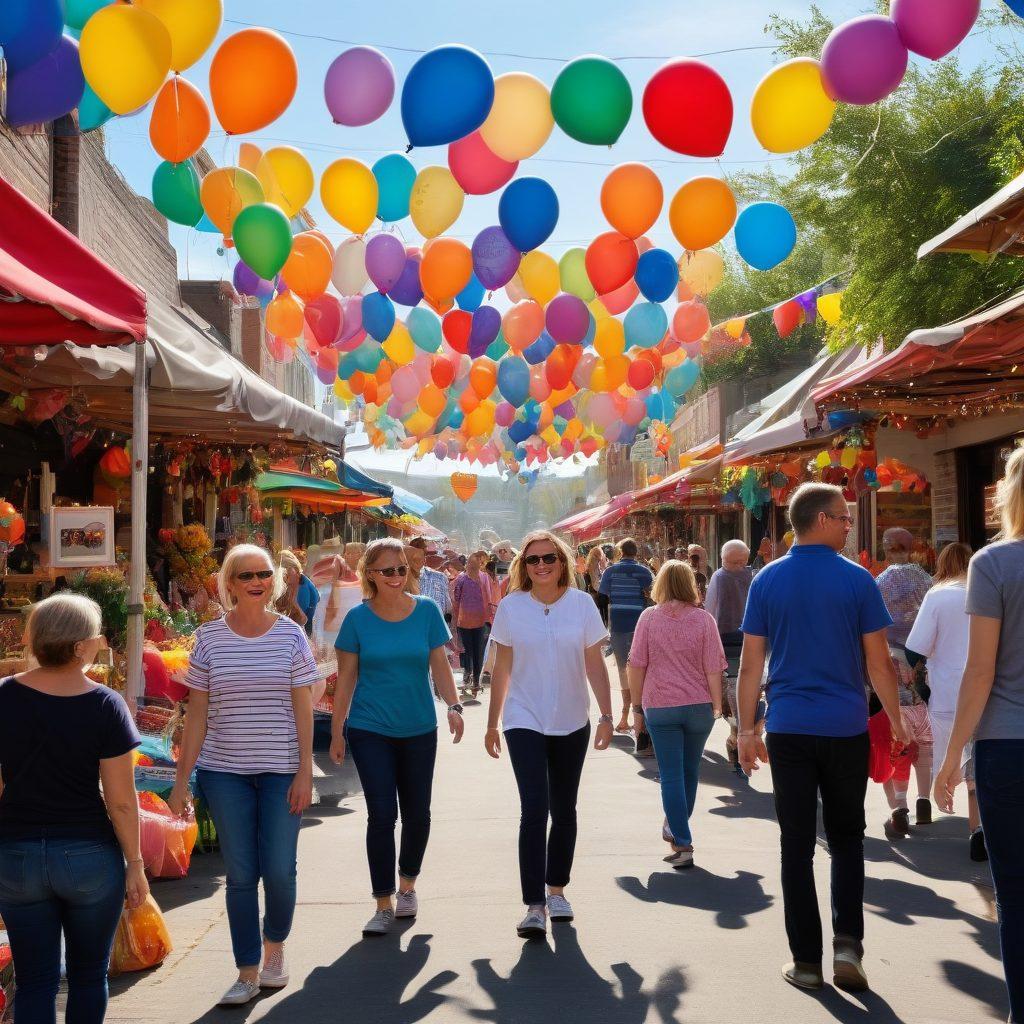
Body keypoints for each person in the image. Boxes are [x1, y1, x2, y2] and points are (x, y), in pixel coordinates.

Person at [737, 483, 908, 994]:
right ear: (819, 520)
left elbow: (750, 665)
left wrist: (747, 728)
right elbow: (879, 663)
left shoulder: (766, 580)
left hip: (788, 726)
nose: (849, 524)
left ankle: (806, 960)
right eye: (843, 516)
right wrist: (896, 721)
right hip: (844, 726)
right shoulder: (857, 580)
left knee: (795, 844)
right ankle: (848, 946)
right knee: (847, 839)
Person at [169, 544, 317, 1007]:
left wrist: (305, 772)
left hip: (280, 770)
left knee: (278, 869)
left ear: (273, 581)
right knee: (240, 874)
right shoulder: (209, 639)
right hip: (224, 771)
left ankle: (275, 949)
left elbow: (303, 706)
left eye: (263, 574)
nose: (256, 581)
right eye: (246, 574)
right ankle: (247, 969)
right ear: (229, 584)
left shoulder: (291, 635)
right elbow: (197, 716)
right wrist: (180, 781)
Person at [0, 594, 146, 1024]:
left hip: (16, 854)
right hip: (88, 853)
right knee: (87, 977)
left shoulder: (4, 697)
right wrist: (135, 863)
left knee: (34, 980)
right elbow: (120, 800)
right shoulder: (104, 704)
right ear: (81, 646)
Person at [329, 539, 464, 937]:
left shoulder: (425, 612)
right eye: (387, 570)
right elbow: (347, 679)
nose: (395, 577)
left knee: (418, 814)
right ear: (370, 574)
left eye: (401, 569)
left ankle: (407, 886)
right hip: (371, 729)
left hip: (420, 727)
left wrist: (454, 707)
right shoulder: (357, 619)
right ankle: (383, 902)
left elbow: (439, 662)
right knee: (382, 815)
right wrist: (337, 730)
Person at [486, 531, 614, 938]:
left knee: (565, 809)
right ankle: (534, 905)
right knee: (534, 808)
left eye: (549, 559)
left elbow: (594, 664)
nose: (541, 566)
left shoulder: (582, 605)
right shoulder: (511, 607)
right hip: (523, 717)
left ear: (563, 562)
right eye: (533, 560)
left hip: (573, 718)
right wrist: (491, 723)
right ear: (523, 566)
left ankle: (556, 890)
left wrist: (609, 714)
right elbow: (502, 668)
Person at [934, 447, 1024, 1024]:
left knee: (1014, 894)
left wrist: (948, 761)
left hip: (1006, 745)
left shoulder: (994, 564)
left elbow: (982, 670)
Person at [627, 561, 725, 869]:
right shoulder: (704, 620)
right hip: (699, 705)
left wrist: (636, 707)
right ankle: (676, 825)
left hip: (661, 704)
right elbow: (714, 666)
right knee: (689, 771)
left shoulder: (649, 618)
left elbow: (636, 663)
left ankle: (682, 840)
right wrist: (717, 704)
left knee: (670, 775)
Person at [905, 543, 985, 857]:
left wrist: (918, 679)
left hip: (949, 691)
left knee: (956, 758)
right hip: (992, 691)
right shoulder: (988, 590)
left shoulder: (938, 596)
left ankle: (976, 827)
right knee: (981, 761)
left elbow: (915, 647)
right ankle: (980, 827)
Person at [875, 527, 935, 833]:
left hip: (890, 662)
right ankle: (924, 799)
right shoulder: (926, 581)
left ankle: (900, 802)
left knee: (897, 738)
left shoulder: (880, 582)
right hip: (922, 662)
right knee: (925, 741)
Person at [705, 540, 761, 774]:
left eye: (741, 562)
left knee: (741, 687)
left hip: (750, 639)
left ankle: (737, 735)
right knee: (731, 688)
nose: (738, 566)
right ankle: (735, 733)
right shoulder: (719, 576)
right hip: (724, 640)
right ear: (722, 559)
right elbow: (711, 610)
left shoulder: (753, 576)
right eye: (732, 562)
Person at [598, 538, 654, 734]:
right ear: (636, 552)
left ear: (620, 552)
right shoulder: (645, 572)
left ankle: (624, 716)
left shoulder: (610, 572)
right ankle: (641, 718)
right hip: (640, 624)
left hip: (619, 624)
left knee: (623, 669)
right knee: (641, 669)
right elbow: (652, 594)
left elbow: (602, 594)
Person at [453, 550, 493, 700]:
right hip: (464, 621)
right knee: (469, 650)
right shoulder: (461, 579)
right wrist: (456, 620)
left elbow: (488, 598)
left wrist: (489, 618)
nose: (475, 564)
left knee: (478, 651)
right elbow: (456, 600)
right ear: (468, 563)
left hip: (480, 621)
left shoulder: (484, 578)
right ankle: (468, 675)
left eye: (478, 562)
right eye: (472, 561)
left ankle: (476, 680)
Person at [405, 538, 453, 621]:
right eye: (412, 558)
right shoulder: (400, 580)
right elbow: (447, 608)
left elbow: (447, 610)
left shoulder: (439, 578)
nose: (414, 561)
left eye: (418, 558)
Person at [277, 549, 319, 636]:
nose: (283, 576)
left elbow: (301, 619)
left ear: (295, 570)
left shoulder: (302, 586)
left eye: (287, 571)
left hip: (304, 630)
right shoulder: (300, 580)